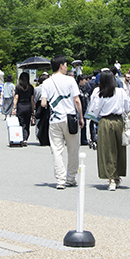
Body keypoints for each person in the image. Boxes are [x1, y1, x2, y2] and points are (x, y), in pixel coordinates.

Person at [41, 56, 84, 190]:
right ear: (61, 65)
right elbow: (76, 100)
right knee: (73, 150)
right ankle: (71, 178)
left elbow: (43, 103)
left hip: (55, 121)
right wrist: (81, 117)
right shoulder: (70, 80)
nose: (66, 67)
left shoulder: (46, 83)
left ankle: (60, 180)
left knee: (57, 150)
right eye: (65, 65)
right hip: (70, 119)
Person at [88, 70, 128, 191]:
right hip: (119, 121)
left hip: (105, 122)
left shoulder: (101, 94)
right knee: (119, 149)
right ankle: (117, 175)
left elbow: (94, 110)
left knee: (107, 150)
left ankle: (111, 179)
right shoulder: (121, 92)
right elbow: (128, 106)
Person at [12, 72, 35, 146]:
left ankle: (22, 137)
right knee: (27, 123)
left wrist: (13, 108)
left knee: (21, 123)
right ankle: (25, 138)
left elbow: (16, 98)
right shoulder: (31, 87)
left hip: (20, 106)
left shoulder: (18, 87)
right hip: (28, 106)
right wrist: (33, 109)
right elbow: (32, 99)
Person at [35, 73, 50, 146]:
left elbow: (35, 98)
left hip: (39, 105)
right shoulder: (50, 87)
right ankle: (47, 138)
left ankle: (39, 136)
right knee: (47, 123)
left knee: (39, 121)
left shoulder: (37, 89)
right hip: (48, 105)